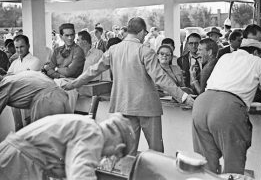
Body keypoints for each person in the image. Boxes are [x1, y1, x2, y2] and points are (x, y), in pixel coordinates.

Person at [63, 17, 194, 155]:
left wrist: (73, 84)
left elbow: (92, 71)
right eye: (145, 33)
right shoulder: (145, 51)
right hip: (147, 107)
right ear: (142, 31)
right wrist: (184, 97)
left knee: (128, 153)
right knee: (156, 153)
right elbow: (160, 78)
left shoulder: (113, 50)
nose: (145, 36)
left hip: (124, 106)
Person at [192, 38, 261, 175]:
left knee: (205, 163)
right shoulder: (256, 61)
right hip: (227, 109)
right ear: (256, 52)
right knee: (233, 163)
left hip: (201, 105)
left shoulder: (225, 57)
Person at [0, 113, 136, 180]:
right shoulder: (94, 134)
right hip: (20, 163)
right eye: (112, 155)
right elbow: (80, 175)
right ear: (118, 146)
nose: (105, 157)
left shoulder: (85, 124)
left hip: (13, 157)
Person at [0, 71, 72, 126]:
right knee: (66, 133)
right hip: (61, 94)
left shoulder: (5, 84)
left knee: (44, 138)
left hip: (47, 101)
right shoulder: (20, 75)